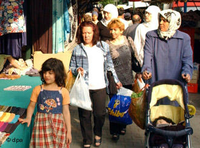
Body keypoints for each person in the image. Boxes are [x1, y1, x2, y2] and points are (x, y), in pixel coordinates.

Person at [69, 21, 122, 148]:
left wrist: (116, 79)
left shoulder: (103, 46)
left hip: (100, 85)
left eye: (89, 33)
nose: (86, 35)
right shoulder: (77, 49)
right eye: (84, 33)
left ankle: (98, 133)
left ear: (94, 33)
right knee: (84, 114)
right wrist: (77, 70)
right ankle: (87, 139)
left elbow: (110, 65)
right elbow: (71, 66)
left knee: (100, 114)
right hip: (84, 86)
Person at [19, 58, 72, 147]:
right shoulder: (38, 89)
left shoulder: (64, 92)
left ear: (58, 74)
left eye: (50, 73)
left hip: (58, 127)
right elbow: (31, 106)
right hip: (41, 126)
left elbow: (66, 112)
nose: (46, 75)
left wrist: (69, 132)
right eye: (44, 72)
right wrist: (28, 117)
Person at [106, 18, 141, 141]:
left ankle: (123, 125)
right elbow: (106, 64)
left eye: (115, 30)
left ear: (121, 30)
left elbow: (135, 56)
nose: (112, 32)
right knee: (114, 105)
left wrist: (139, 72)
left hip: (127, 78)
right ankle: (114, 131)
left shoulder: (128, 41)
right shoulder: (107, 44)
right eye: (110, 30)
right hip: (113, 80)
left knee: (125, 104)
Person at [142, 9, 193, 91]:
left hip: (176, 83)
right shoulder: (151, 36)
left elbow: (187, 59)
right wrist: (147, 70)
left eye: (165, 21)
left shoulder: (184, 38)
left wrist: (186, 72)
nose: (161, 23)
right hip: (156, 80)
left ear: (173, 22)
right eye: (160, 20)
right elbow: (148, 55)